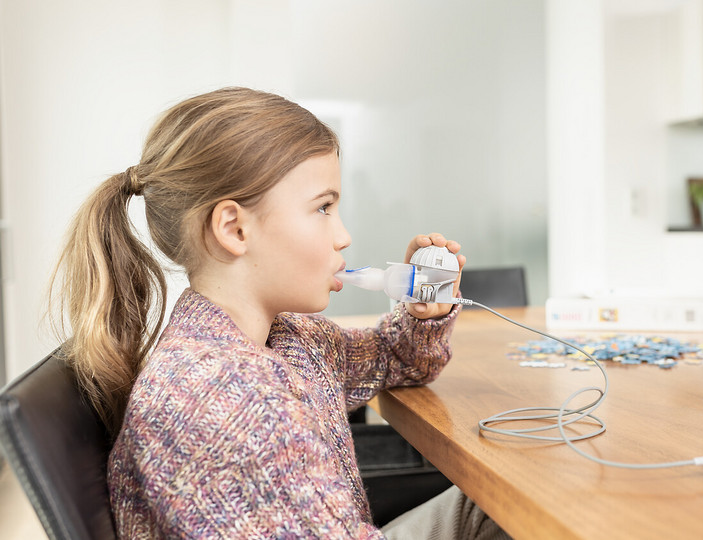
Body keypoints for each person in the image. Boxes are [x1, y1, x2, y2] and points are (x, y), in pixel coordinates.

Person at [49, 87, 509, 539]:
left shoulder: (291, 338)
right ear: (234, 228)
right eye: (323, 208)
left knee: (493, 505)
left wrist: (422, 314)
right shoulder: (227, 403)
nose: (343, 235)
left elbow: (397, 359)